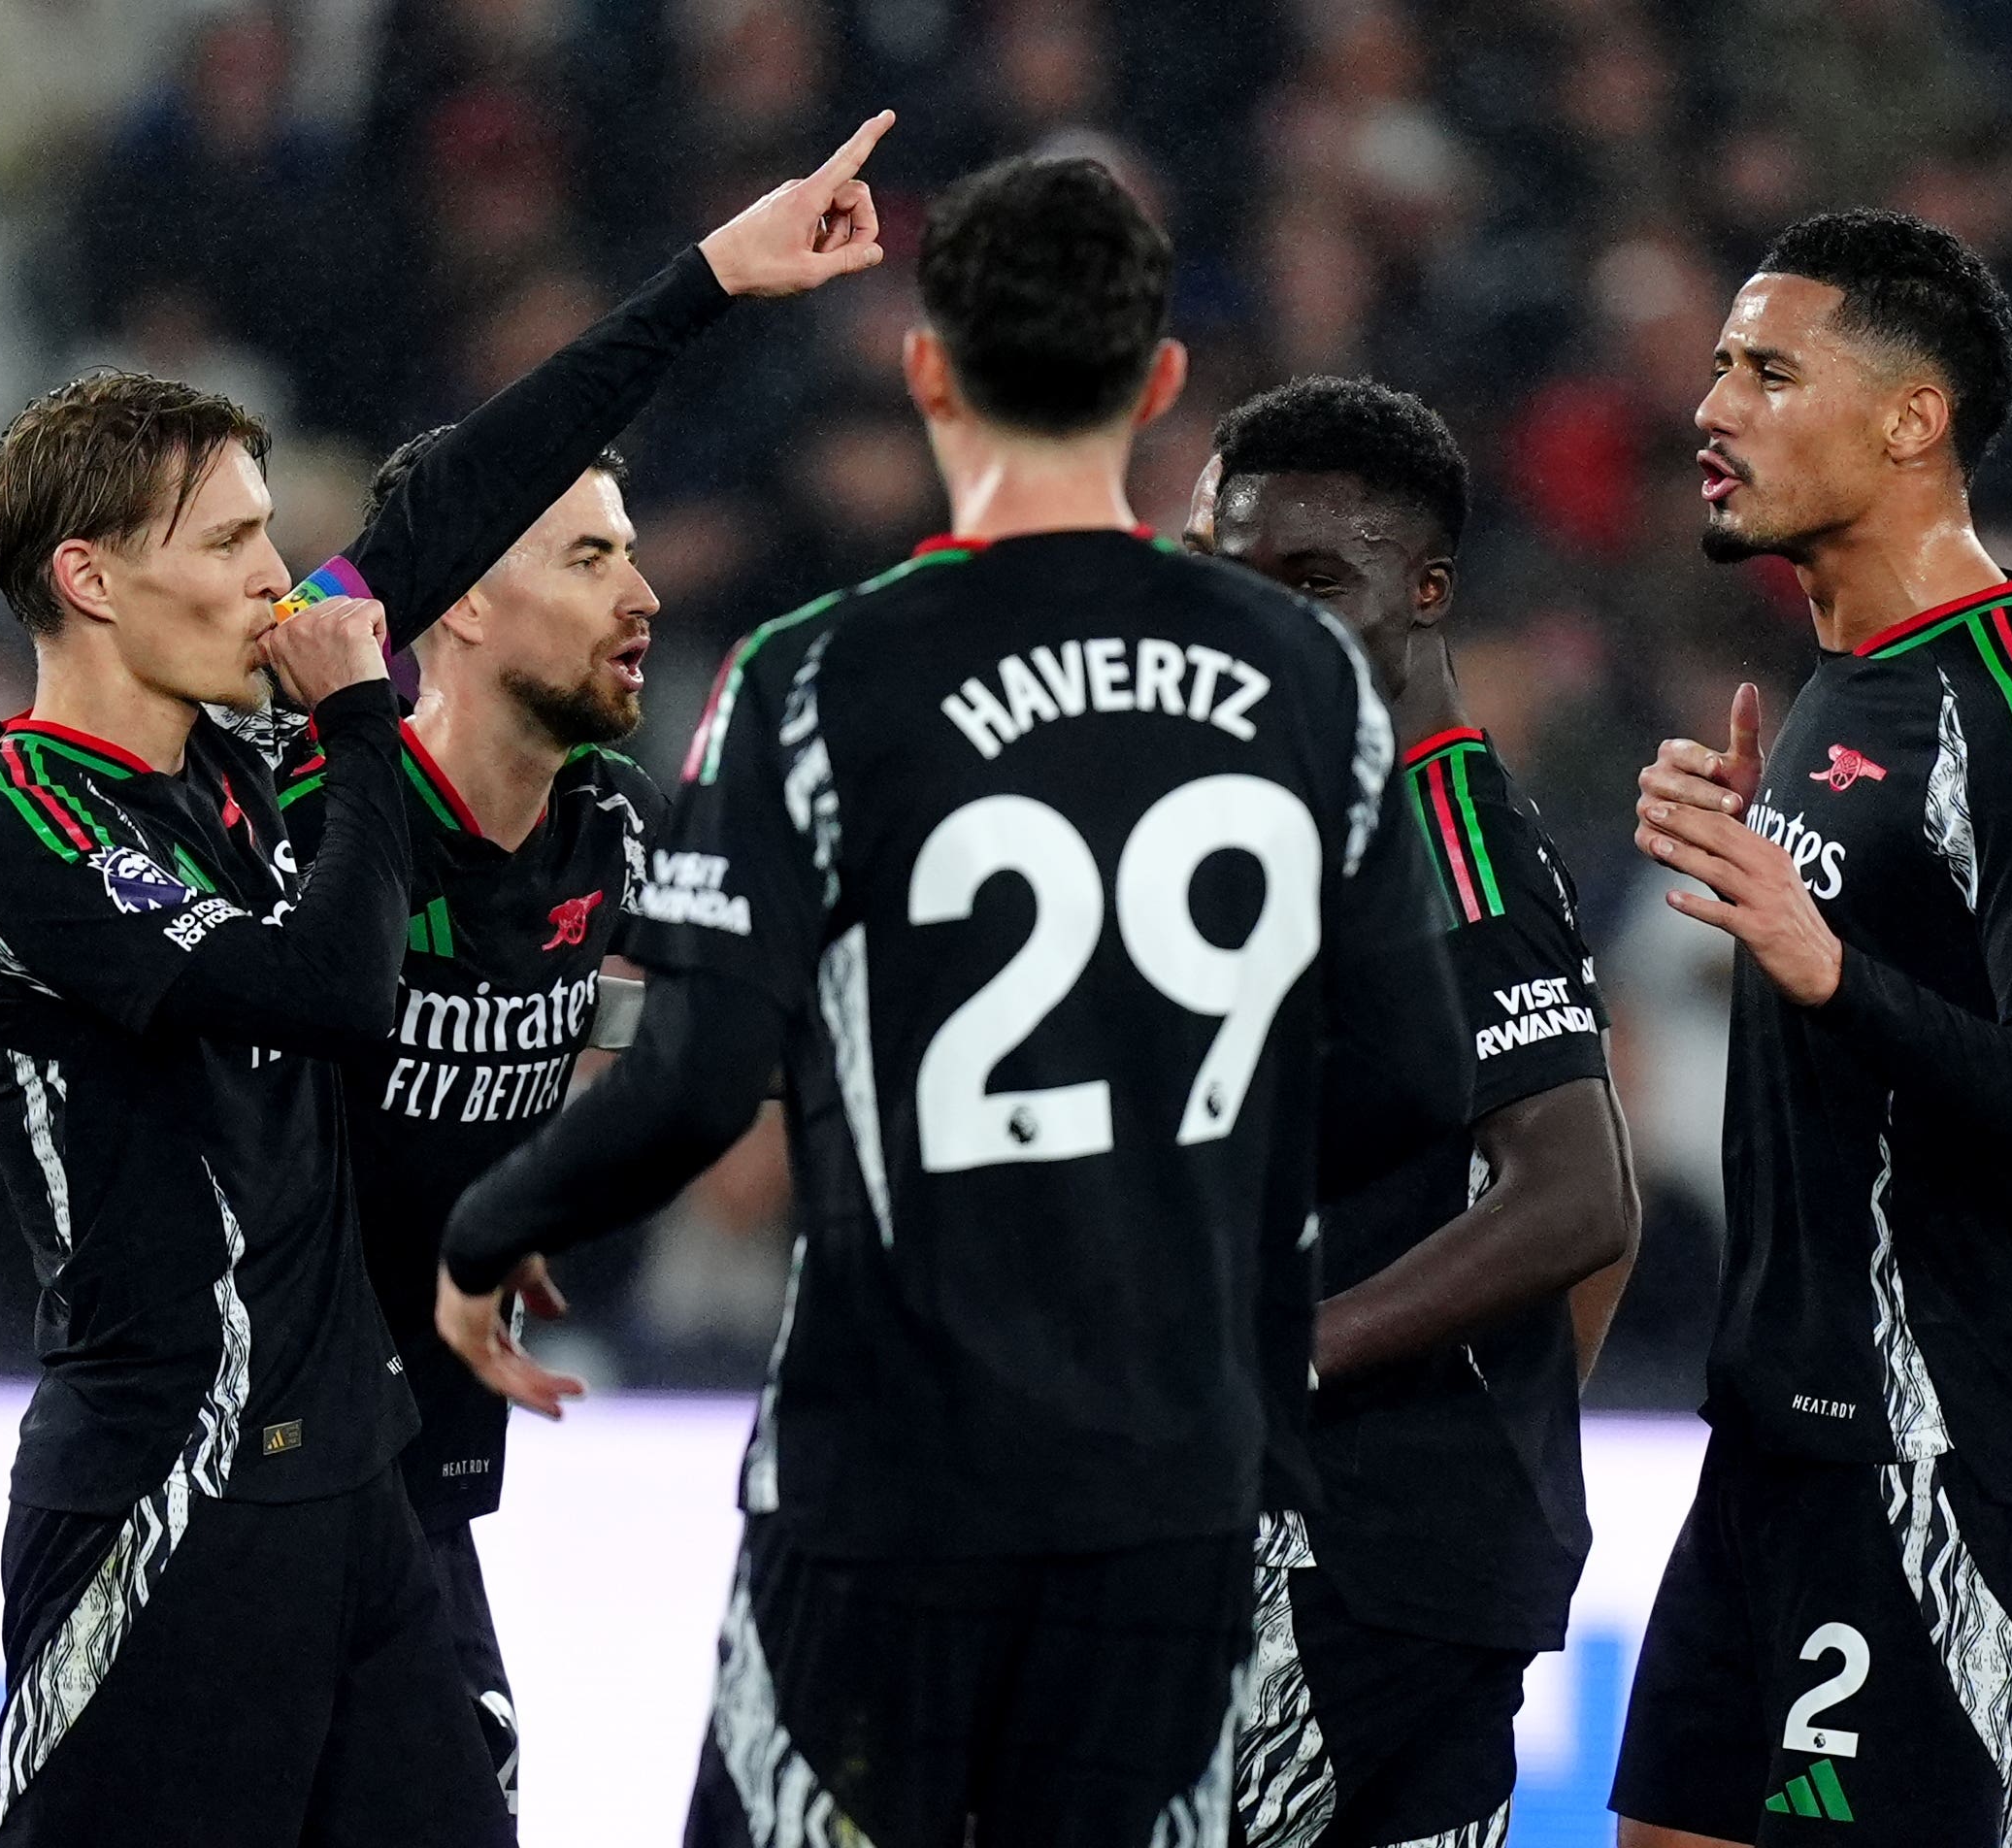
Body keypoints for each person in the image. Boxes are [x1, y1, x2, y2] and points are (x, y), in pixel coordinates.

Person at [434, 155, 1472, 1848]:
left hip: (890, 1471)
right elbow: (1418, 1082)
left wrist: (489, 1232)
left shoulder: (818, 674)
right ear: (1157, 386)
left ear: (928, 370)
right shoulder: (1306, 685)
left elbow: (696, 1074)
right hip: (1177, 1482)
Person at [0, 118, 893, 1848]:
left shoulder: (234, 755)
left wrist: (709, 284)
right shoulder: (24, 833)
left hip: (358, 1486)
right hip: (168, 1493)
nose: (271, 581)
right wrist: (364, 716)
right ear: (88, 581)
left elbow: (456, 499)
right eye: (223, 546)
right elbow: (327, 988)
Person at [1617, 209, 2012, 1848]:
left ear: (1915, 420)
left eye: (1770, 372)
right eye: (1717, 368)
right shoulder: (1843, 682)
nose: (1715, 409)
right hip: (1782, 1428)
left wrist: (1827, 962)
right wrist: (1761, 854)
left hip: (1945, 1457)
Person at [1188, 377, 1641, 1848]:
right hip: (1427, 1552)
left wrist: (1289, 1357)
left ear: (1428, 588)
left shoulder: (1434, 833)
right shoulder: (1332, 815)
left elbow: (1581, 1197)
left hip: (1350, 1556)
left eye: (1316, 580)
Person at [279, 434, 664, 1822]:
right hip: (263, 1471)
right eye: (589, 555)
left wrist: (528, 1195)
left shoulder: (611, 834)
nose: (645, 592)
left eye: (630, 549)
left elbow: (629, 1021)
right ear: (458, 605)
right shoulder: (312, 819)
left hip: (427, 1470)